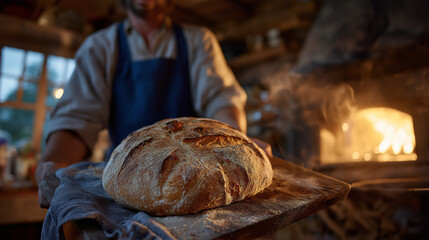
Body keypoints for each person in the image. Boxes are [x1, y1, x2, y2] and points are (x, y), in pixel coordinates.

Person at [36, 0, 271, 208]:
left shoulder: (198, 40)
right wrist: (55, 163)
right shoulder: (100, 46)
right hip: (127, 175)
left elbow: (221, 99)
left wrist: (238, 144)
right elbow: (77, 116)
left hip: (192, 179)